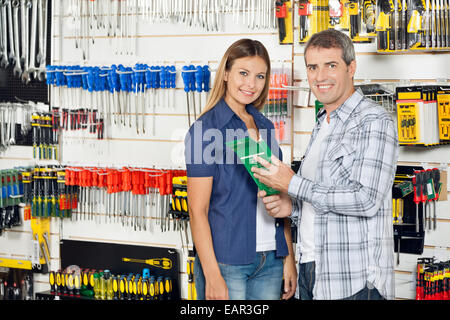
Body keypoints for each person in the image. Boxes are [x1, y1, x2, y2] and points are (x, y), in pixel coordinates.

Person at [252, 29, 399, 300]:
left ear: (351, 67)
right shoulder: (323, 122)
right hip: (311, 269)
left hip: (353, 281)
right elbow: (322, 201)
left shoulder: (374, 121)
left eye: (331, 65)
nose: (320, 77)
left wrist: (292, 183)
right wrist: (291, 206)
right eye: (312, 67)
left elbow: (366, 199)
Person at [184, 39, 297, 300]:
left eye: (260, 76)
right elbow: (196, 210)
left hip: (270, 260)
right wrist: (212, 276)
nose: (251, 84)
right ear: (226, 74)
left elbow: (279, 196)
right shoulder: (205, 130)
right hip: (226, 262)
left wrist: (287, 257)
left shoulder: (266, 127)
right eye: (243, 74)